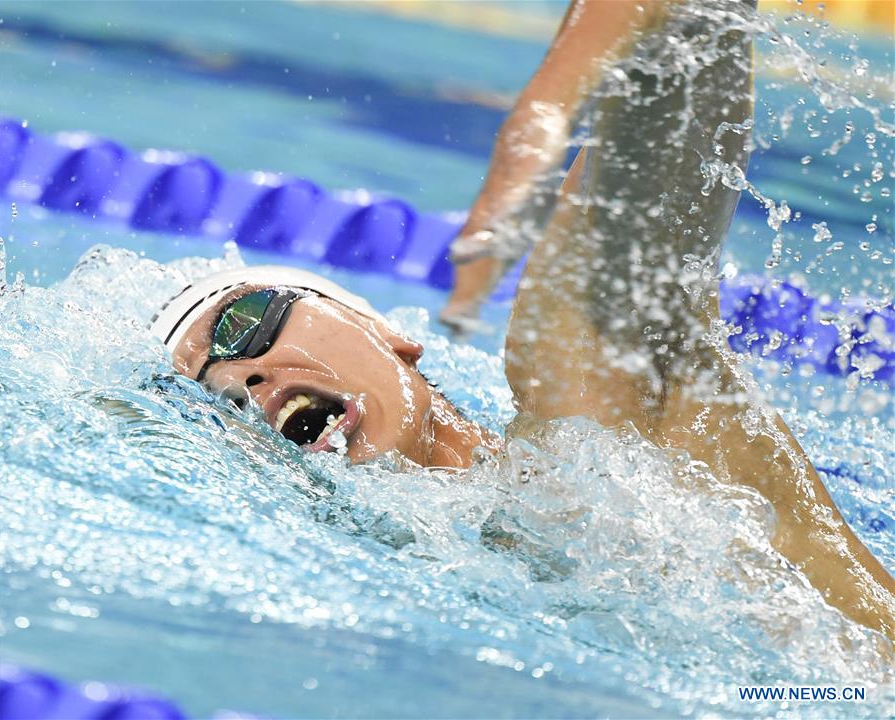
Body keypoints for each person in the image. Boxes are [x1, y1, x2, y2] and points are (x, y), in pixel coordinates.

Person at [151, 0, 894, 640]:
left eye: (243, 325)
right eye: (219, 402)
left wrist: (544, 109)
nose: (246, 381)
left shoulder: (593, 418)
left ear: (386, 331)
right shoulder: (434, 587)